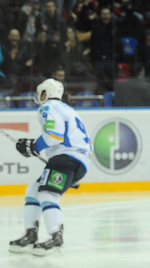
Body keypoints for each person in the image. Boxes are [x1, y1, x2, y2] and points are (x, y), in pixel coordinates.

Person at [9, 78, 92, 256]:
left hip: (66, 158)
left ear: (46, 93)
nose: (39, 98)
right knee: (33, 190)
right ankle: (31, 233)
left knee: (48, 194)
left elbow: (54, 136)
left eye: (40, 94)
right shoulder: (67, 109)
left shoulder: (48, 107)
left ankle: (55, 236)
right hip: (76, 160)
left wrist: (34, 146)